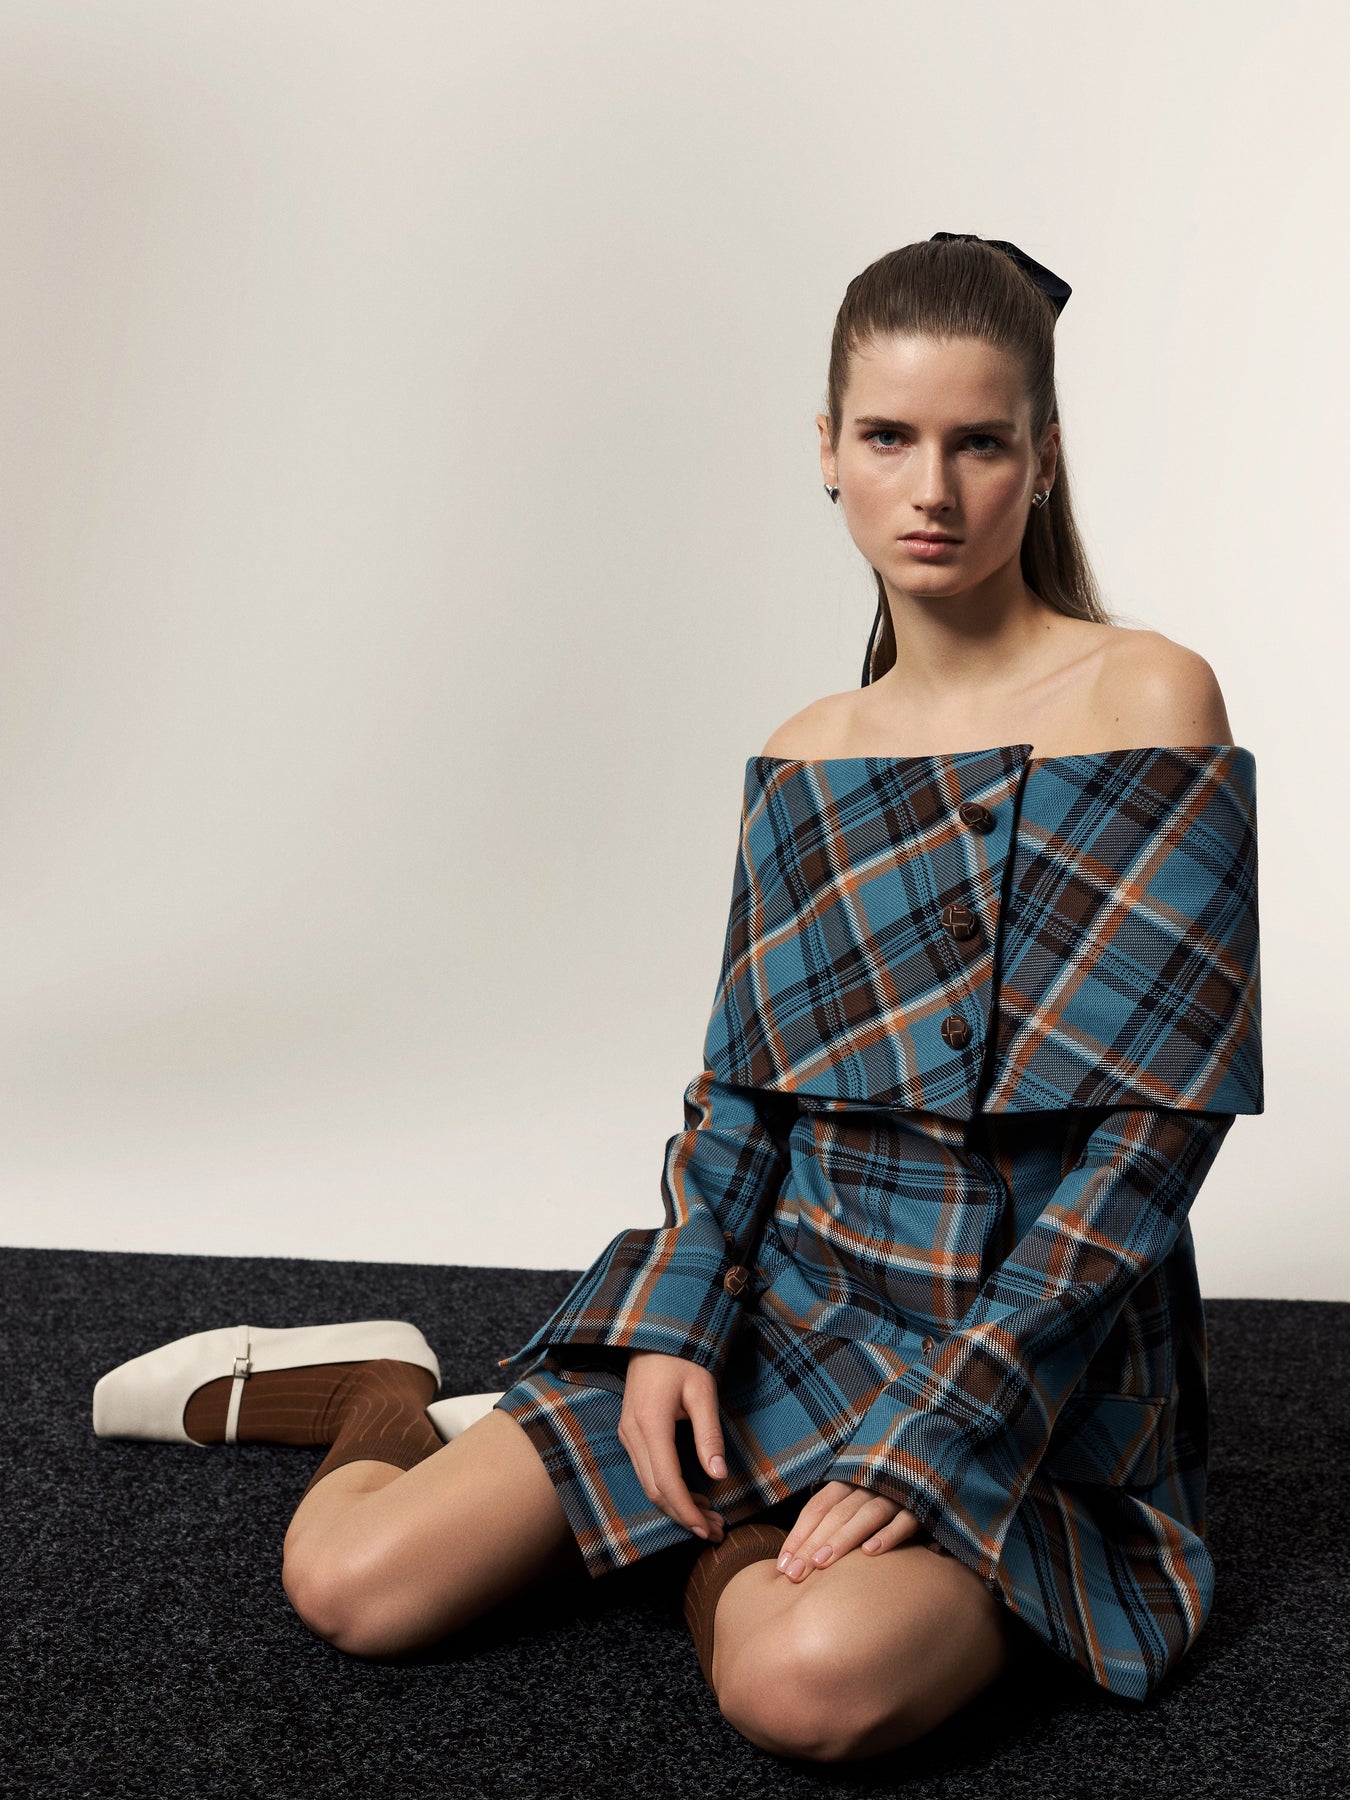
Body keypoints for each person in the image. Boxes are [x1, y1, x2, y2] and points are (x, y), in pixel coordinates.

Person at [92, 232, 1263, 1765]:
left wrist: (942, 1423)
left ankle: (716, 1531)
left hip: (1022, 1369)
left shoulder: (1143, 694)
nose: (930, 489)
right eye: (887, 438)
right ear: (826, 452)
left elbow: (1152, 1142)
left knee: (806, 1686)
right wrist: (675, 1330)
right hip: (788, 1309)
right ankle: (386, 1387)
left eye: (978, 443)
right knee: (352, 1583)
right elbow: (739, 1104)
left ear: (1042, 459)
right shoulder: (806, 748)